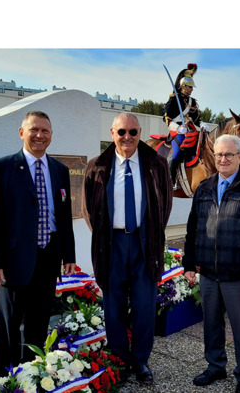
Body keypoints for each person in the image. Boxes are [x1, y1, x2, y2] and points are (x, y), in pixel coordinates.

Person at [0, 110, 79, 372]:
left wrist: (68, 255)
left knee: (39, 324)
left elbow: (64, 215)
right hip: (13, 262)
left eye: (45, 131)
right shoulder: (1, 168)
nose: (39, 135)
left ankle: (32, 374)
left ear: (51, 136)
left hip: (48, 258)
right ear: (21, 132)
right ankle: (8, 378)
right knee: (10, 324)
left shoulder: (60, 170)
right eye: (34, 129)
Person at [82, 114, 173, 383]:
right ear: (112, 132)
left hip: (145, 242)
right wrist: (103, 237)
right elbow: (89, 209)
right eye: (121, 131)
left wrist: (152, 233)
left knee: (145, 305)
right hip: (113, 244)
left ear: (140, 132)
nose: (127, 137)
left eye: (133, 132)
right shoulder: (96, 166)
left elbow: (164, 206)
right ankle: (121, 360)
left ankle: (141, 360)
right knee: (114, 305)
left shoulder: (157, 164)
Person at [184, 134, 240, 393]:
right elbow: (193, 229)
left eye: (229, 155)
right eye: (219, 155)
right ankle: (215, 367)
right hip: (209, 274)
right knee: (211, 326)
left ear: (239, 157)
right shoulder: (204, 187)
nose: (223, 159)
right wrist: (189, 263)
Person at [163, 65, 202, 168]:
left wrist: (202, 124)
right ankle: (171, 179)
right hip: (177, 131)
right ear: (184, 86)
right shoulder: (174, 99)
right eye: (190, 87)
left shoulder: (191, 101)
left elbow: (196, 119)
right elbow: (167, 118)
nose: (192, 89)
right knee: (177, 153)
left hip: (190, 129)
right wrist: (178, 128)